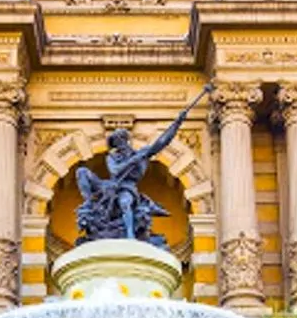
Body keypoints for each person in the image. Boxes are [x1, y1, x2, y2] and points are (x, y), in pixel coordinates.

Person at [76, 84, 212, 245]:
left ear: (125, 140)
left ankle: (129, 235)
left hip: (127, 188)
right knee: (82, 172)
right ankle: (89, 203)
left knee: (125, 202)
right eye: (115, 142)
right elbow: (116, 170)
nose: (118, 144)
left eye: (120, 140)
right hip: (109, 186)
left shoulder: (141, 154)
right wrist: (132, 161)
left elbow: (161, 142)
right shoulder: (113, 157)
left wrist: (176, 124)